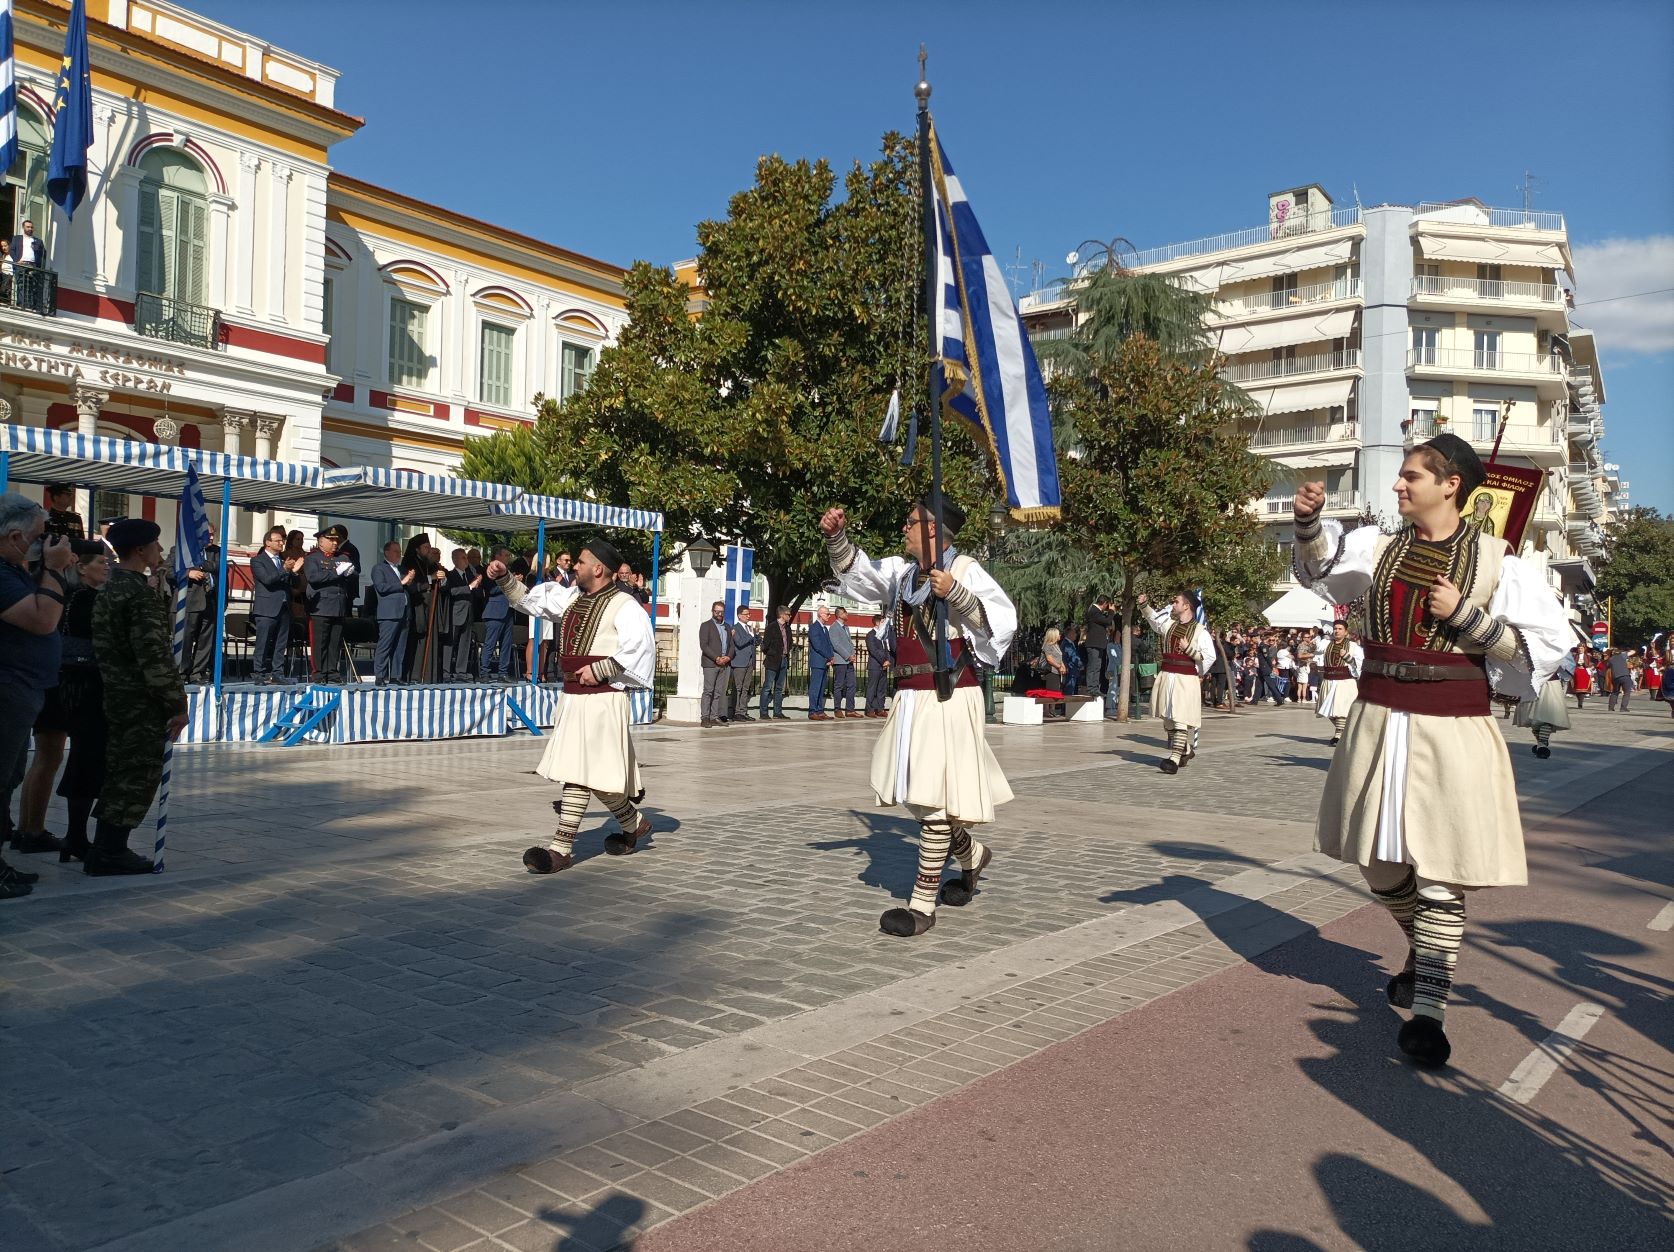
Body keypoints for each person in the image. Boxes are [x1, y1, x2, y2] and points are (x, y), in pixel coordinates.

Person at [1292, 433, 1568, 1068]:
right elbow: (1322, 571)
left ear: (1451, 485)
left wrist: (1471, 622)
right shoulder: (1378, 547)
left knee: (1440, 869)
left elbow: (1548, 649)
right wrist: (1308, 522)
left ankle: (1430, 1015)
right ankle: (1424, 944)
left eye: (1412, 476)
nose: (1398, 485)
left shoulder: (1500, 563)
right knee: (1376, 861)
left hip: (1451, 722)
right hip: (1379, 717)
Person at [820, 500, 1017, 938]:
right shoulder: (905, 574)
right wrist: (837, 538)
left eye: (911, 522)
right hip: (910, 697)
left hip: (947, 695)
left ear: (934, 530)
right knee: (917, 795)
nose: (904, 529)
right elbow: (863, 580)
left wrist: (957, 595)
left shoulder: (965, 569)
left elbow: (1002, 623)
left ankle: (922, 905)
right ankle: (971, 856)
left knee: (932, 802)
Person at [487, 538, 654, 873]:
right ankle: (633, 823)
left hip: (604, 698)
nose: (574, 566)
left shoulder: (625, 605)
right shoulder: (572, 598)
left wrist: (602, 668)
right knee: (592, 774)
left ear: (597, 569)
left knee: (580, 772)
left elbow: (641, 646)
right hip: (573, 696)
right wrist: (504, 577)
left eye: (580, 561)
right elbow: (531, 602)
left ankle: (560, 850)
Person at [90, 519, 191, 876]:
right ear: (140, 550)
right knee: (137, 774)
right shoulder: (136, 593)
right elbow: (153, 655)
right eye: (155, 545)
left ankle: (105, 845)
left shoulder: (111, 587)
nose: (160, 552)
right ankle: (110, 849)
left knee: (120, 769)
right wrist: (176, 703)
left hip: (117, 693)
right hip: (139, 698)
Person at [0, 494, 74, 896]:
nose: (46, 544)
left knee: (8, 775)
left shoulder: (15, 568)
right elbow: (42, 619)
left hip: (22, 687)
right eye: (38, 537)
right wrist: (54, 570)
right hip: (7, 688)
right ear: (14, 537)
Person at [1140, 591, 1214, 772]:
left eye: (1176, 601)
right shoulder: (1170, 625)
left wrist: (1189, 650)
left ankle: (1173, 760)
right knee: (1168, 721)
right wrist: (1144, 606)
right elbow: (1155, 620)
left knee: (1181, 719)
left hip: (1185, 678)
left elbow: (1210, 656)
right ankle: (1186, 749)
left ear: (1187, 606)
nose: (1173, 604)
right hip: (1167, 675)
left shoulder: (1199, 631)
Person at [303, 525, 357, 683]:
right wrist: (336, 572)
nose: (335, 543)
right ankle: (319, 673)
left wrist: (351, 573)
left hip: (339, 605)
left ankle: (332, 672)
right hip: (321, 605)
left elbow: (353, 575)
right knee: (320, 642)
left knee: (335, 642)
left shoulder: (343, 557)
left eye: (336, 540)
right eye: (331, 540)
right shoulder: (312, 558)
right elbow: (314, 578)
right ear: (321, 541)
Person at [250, 525, 300, 684]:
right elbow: (267, 579)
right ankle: (259, 673)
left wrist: (295, 572)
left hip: (284, 607)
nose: (281, 543)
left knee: (281, 643)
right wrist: (285, 569)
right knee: (263, 642)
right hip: (266, 608)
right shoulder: (258, 561)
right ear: (267, 542)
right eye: (278, 541)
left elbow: (294, 584)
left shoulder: (283, 561)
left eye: (282, 541)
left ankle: (277, 672)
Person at [177, 527, 220, 684]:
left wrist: (200, 564)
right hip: (191, 602)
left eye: (212, 534)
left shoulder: (216, 552)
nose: (210, 537)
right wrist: (188, 573)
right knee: (187, 639)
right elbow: (168, 571)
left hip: (210, 601)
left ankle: (198, 672)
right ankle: (182, 673)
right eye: (207, 534)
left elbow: (219, 567)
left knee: (205, 640)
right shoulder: (181, 550)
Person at [1514, 647, 1573, 759]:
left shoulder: (1557, 644)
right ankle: (1541, 744)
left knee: (1547, 717)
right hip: (1532, 683)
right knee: (1534, 719)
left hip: (1548, 682)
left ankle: (1542, 744)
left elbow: (1567, 665)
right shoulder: (1528, 642)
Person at [369, 540, 413, 686]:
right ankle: (380, 675)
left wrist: (409, 580)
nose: (399, 554)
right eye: (395, 551)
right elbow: (381, 587)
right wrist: (401, 583)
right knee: (385, 644)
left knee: (400, 646)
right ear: (386, 552)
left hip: (403, 611)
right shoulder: (379, 568)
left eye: (400, 551)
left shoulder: (401, 569)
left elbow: (407, 587)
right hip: (389, 613)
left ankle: (396, 675)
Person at [1316, 620, 1363, 746]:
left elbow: (1361, 663)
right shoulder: (1326, 644)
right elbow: (1316, 652)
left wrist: (1348, 657)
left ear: (1346, 632)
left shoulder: (1353, 646)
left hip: (1344, 680)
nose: (1337, 631)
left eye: (1340, 628)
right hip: (1328, 679)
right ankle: (1346, 731)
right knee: (1327, 710)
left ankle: (1338, 735)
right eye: (1335, 628)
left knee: (1341, 709)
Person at [441, 549, 484, 682]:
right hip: (455, 613)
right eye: (463, 558)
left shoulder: (469, 574)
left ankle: (461, 671)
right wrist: (469, 587)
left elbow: (478, 594)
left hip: (468, 614)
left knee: (465, 644)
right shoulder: (451, 575)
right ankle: (446, 672)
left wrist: (478, 584)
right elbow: (451, 591)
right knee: (450, 643)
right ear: (455, 560)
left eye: (466, 558)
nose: (466, 561)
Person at [479, 546, 516, 681]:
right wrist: (509, 584)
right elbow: (491, 590)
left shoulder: (507, 571)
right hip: (494, 611)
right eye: (506, 555)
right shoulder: (490, 571)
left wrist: (514, 582)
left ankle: (503, 673)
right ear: (497, 556)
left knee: (506, 644)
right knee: (490, 643)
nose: (508, 558)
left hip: (508, 611)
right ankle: (484, 672)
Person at [698, 600, 731, 728]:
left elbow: (731, 645)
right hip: (711, 663)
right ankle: (705, 717)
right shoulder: (706, 625)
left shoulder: (727, 627)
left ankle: (714, 716)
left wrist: (728, 657)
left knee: (718, 692)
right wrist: (716, 658)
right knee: (708, 691)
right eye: (717, 611)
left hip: (724, 663)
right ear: (712, 611)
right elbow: (704, 645)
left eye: (721, 612)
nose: (719, 614)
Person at [759, 606, 793, 720]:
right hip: (773, 660)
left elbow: (790, 642)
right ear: (782, 615)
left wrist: (786, 652)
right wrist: (772, 653)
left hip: (784, 659)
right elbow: (765, 645)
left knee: (779, 688)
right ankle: (763, 712)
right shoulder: (772, 627)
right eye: (788, 614)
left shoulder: (787, 628)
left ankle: (777, 712)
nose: (790, 616)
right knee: (768, 686)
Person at [1084, 595, 1115, 708]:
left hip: (1098, 644)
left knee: (1097, 666)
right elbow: (1107, 621)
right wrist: (1111, 612)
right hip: (1094, 644)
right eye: (1108, 605)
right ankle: (1091, 688)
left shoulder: (1096, 612)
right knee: (1093, 666)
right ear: (1105, 603)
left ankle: (1095, 687)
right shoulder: (1094, 611)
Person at [729, 610, 758, 722]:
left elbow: (754, 643)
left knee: (745, 688)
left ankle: (743, 711)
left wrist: (756, 635)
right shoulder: (735, 628)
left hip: (749, 662)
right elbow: (739, 643)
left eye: (749, 614)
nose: (748, 616)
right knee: (738, 687)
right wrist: (750, 635)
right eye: (746, 614)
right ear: (739, 615)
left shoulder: (749, 628)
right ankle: (736, 712)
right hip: (739, 662)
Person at [807, 603, 834, 720]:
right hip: (818, 662)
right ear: (821, 614)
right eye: (827, 614)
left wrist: (831, 657)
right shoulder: (814, 627)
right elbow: (818, 645)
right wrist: (829, 656)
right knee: (815, 687)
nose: (829, 616)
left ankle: (820, 710)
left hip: (825, 662)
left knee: (822, 687)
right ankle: (813, 711)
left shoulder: (824, 628)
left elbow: (828, 644)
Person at [829, 606, 857, 718]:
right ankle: (837, 709)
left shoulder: (846, 627)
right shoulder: (834, 627)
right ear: (839, 614)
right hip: (840, 661)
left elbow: (849, 642)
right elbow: (836, 645)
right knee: (839, 685)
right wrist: (847, 656)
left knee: (852, 685)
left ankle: (850, 709)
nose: (847, 614)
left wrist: (853, 653)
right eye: (845, 612)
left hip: (849, 661)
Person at [863, 612, 892, 718]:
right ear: (877, 623)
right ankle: (869, 709)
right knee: (872, 688)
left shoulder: (883, 635)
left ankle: (880, 708)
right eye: (883, 622)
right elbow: (873, 650)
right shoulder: (871, 635)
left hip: (884, 666)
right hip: (875, 665)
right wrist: (883, 660)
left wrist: (888, 660)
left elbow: (887, 649)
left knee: (881, 688)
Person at [1606, 647, 1634, 712]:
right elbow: (1633, 651)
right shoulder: (1622, 655)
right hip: (1625, 676)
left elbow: (1607, 666)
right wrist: (1626, 651)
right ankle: (1623, 708)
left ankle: (1611, 708)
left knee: (1614, 692)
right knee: (1627, 692)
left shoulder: (1610, 659)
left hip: (1615, 677)